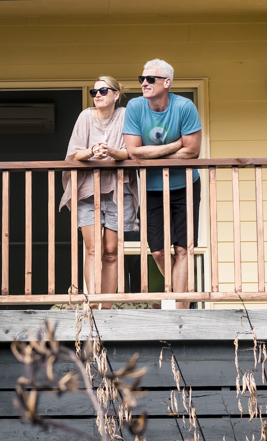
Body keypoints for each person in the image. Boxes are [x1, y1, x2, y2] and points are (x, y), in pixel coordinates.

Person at [122, 59, 202, 309]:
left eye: (150, 79)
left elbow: (193, 152)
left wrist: (152, 153)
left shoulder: (184, 107)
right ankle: (183, 292)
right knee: (157, 250)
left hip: (186, 185)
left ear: (167, 83)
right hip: (152, 188)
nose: (144, 83)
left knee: (183, 248)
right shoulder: (135, 106)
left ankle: (181, 311)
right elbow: (133, 152)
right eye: (141, 79)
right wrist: (175, 145)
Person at [60, 76, 139, 308]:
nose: (98, 95)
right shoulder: (85, 116)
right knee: (93, 248)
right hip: (87, 191)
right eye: (94, 92)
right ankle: (93, 305)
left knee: (112, 251)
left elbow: (131, 153)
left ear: (116, 94)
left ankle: (107, 307)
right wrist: (93, 151)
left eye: (103, 91)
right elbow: (73, 155)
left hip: (118, 189)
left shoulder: (125, 116)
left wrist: (112, 151)